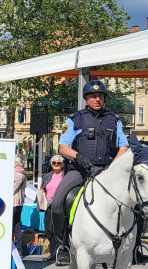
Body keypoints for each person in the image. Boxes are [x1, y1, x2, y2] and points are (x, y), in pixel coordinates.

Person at [48, 80, 129, 258]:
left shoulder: (114, 120)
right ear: (86, 98)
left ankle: (135, 248)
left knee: (134, 203)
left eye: (100, 96)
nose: (97, 99)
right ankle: (62, 247)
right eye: (93, 96)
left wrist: (112, 167)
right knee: (56, 203)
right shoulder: (74, 119)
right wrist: (81, 159)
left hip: (107, 171)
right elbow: (63, 147)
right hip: (80, 170)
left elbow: (123, 146)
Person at [40, 154, 66, 262]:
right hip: (49, 206)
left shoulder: (65, 176)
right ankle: (53, 252)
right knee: (48, 229)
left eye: (58, 163)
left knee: (59, 230)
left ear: (62, 164)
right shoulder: (47, 176)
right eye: (54, 163)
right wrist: (42, 192)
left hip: (61, 206)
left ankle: (59, 253)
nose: (56, 165)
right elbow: (43, 188)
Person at [12, 155, 27, 256]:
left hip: (14, 203)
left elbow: (12, 189)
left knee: (13, 226)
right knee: (17, 225)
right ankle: (19, 250)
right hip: (19, 203)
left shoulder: (17, 174)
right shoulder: (22, 174)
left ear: (17, 163)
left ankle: (15, 249)